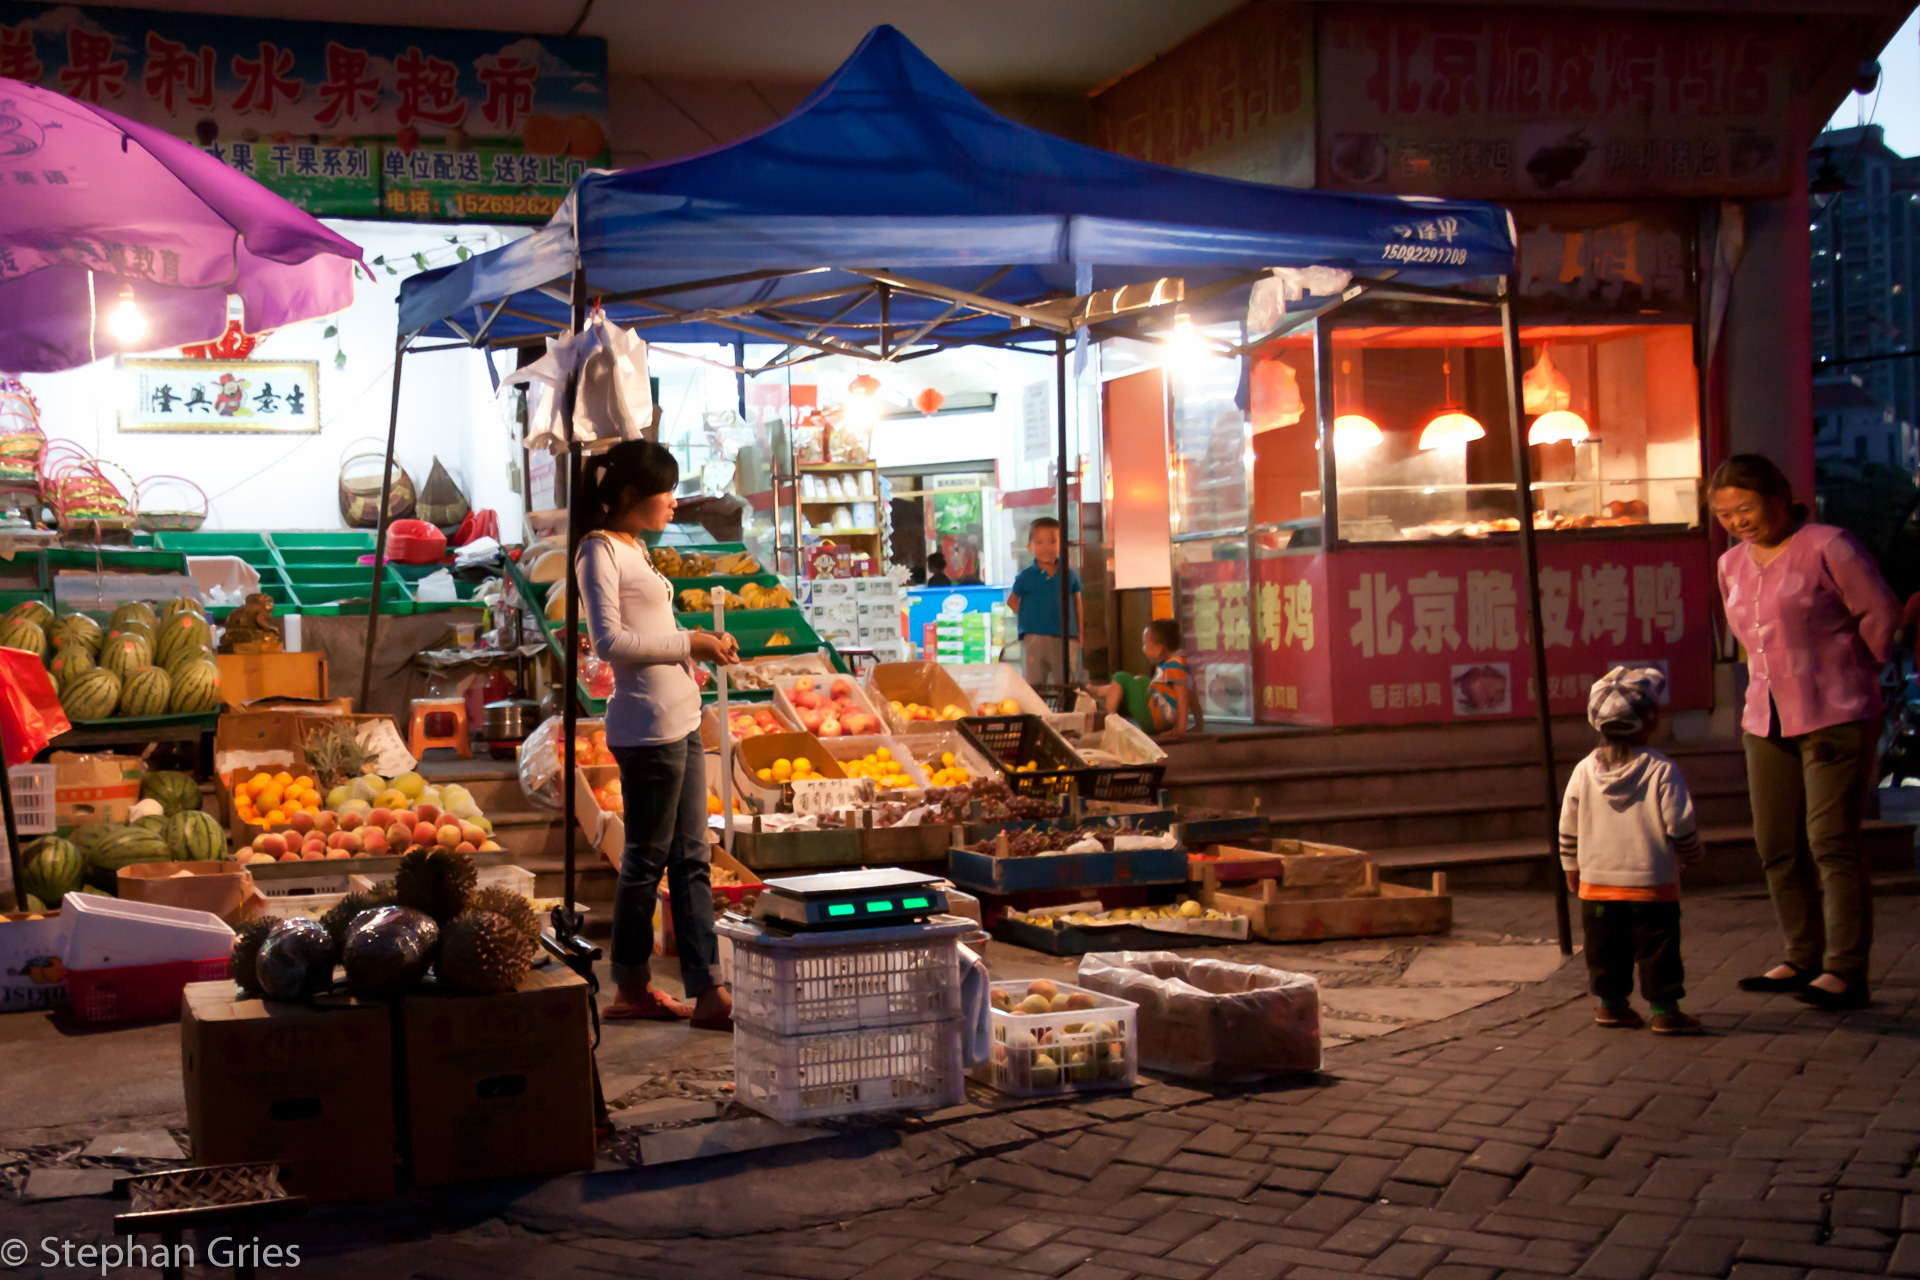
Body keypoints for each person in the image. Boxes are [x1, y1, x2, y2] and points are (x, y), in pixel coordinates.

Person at [1711, 453, 1901, 1012]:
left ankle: (1845, 968)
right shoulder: (1731, 565)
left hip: (1834, 711)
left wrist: (1857, 669)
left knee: (1831, 841)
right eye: (1725, 515)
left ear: (1777, 497)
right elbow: (1749, 636)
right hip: (1764, 714)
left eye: (1745, 508)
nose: (1737, 522)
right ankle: (1801, 953)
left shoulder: (1827, 545)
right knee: (1776, 844)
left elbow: (1881, 613)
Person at [576, 440, 737, 1029]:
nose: (674, 501)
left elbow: (651, 627)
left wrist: (699, 641)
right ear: (627, 496)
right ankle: (631, 985)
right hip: (646, 729)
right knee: (645, 858)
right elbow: (611, 642)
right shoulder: (597, 552)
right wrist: (687, 644)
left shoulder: (635, 548)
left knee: (692, 857)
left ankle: (708, 990)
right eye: (664, 490)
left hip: (683, 718)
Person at [1558, 667, 1705, 1035]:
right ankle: (1665, 1010)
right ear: (1651, 722)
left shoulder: (1583, 771)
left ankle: (1612, 1006)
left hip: (1597, 886)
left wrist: (1570, 868)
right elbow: (1680, 824)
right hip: (1651, 885)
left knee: (1606, 951)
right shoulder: (1662, 771)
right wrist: (1692, 854)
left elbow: (1567, 827)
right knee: (1658, 950)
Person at [1089, 618, 1200, 741]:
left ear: (1159, 649)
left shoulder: (1175, 665)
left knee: (1122, 677)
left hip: (1152, 719)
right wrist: (1199, 722)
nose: (1143, 648)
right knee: (1141, 680)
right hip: (1162, 720)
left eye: (1146, 644)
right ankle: (1098, 691)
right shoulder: (1179, 664)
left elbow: (1183, 696)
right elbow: (1192, 695)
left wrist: (1180, 729)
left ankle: (1107, 722)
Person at [1007, 517, 1081, 687]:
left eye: (1053, 541)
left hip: (1065, 636)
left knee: (1065, 683)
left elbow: (1078, 603)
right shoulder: (1025, 577)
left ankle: (1064, 712)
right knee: (1034, 683)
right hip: (1034, 638)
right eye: (1039, 542)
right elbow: (1012, 602)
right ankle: (1037, 713)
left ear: (1061, 544)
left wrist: (1080, 633)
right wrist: (1031, 617)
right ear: (1030, 547)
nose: (1047, 547)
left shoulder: (1068, 575)